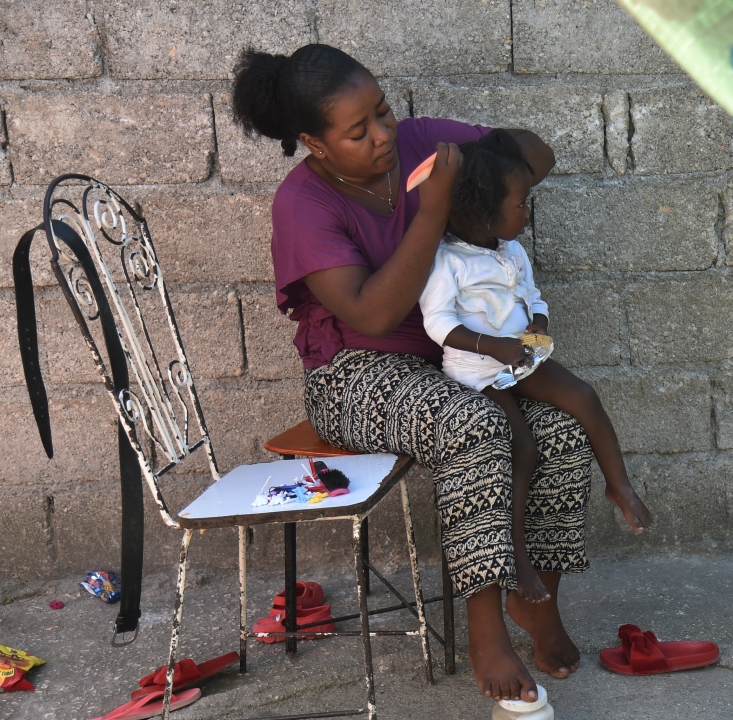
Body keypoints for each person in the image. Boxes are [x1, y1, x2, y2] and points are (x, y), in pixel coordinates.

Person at [231, 43, 630, 702]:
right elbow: (377, 311)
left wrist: (481, 171)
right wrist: (439, 207)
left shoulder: (420, 145)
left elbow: (536, 155)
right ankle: (485, 630)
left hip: (453, 361)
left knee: (559, 430)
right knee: (473, 427)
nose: (385, 136)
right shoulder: (303, 205)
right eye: (359, 132)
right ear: (314, 143)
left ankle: (536, 600)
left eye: (384, 113)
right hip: (357, 375)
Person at [418, 129, 652, 604]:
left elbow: (531, 295)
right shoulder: (447, 262)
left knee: (583, 396)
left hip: (521, 359)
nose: (527, 212)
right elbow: (437, 324)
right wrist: (493, 345)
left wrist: (538, 320)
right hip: (477, 374)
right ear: (484, 212)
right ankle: (517, 559)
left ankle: (619, 486)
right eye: (521, 204)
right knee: (522, 448)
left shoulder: (511, 251)